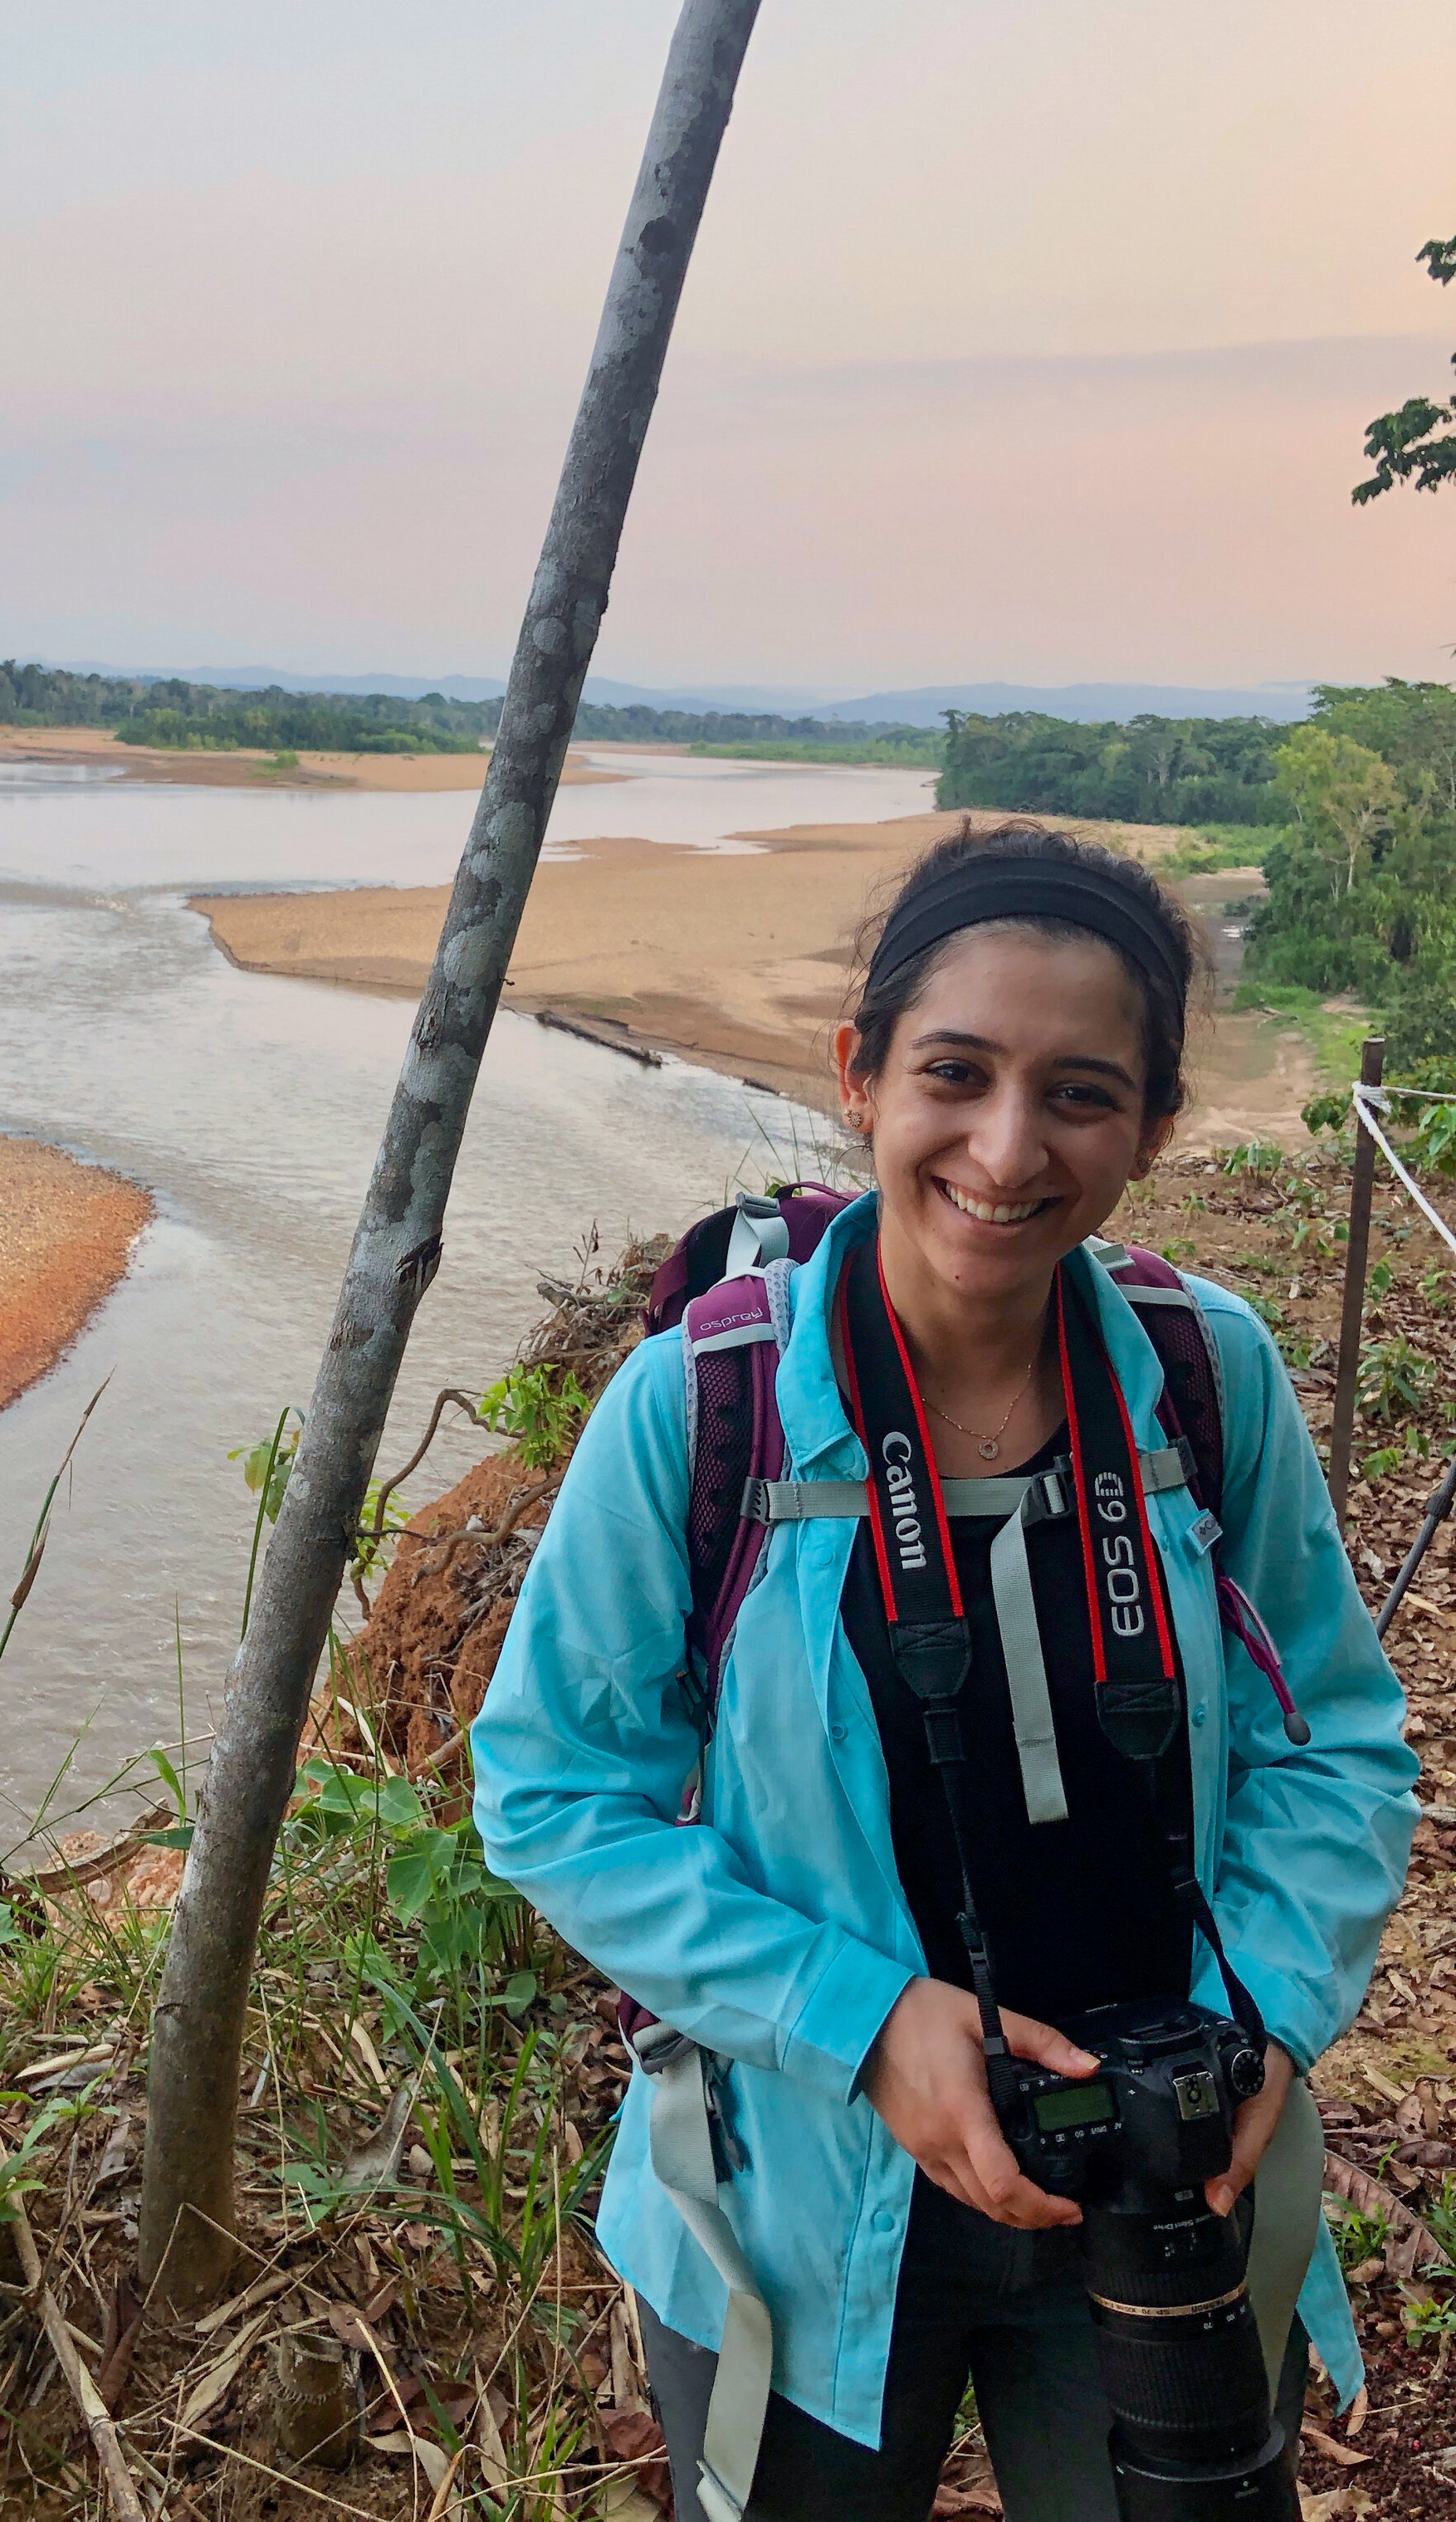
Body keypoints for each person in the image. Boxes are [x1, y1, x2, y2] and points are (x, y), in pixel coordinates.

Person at [469, 819, 1416, 2522]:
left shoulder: (1203, 1380)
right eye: (954, 1072)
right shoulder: (706, 1409)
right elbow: (549, 1792)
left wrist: (1264, 2013)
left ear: (1151, 1124)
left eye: (1076, 1092)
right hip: (804, 2186)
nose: (1004, 1146)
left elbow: (1333, 1740)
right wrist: (862, 2023)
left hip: (1161, 2166)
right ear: (859, 1073)